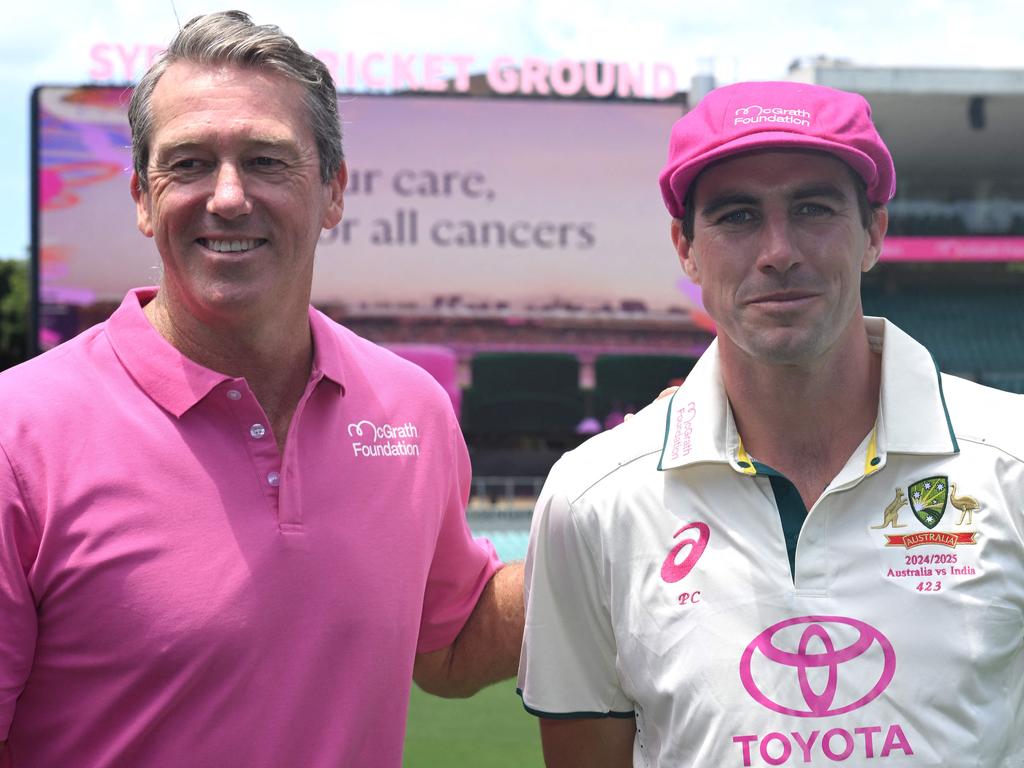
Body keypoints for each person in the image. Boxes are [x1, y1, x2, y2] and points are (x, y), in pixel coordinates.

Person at [0, 12, 522, 767]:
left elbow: (450, 644)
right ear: (143, 199)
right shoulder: (19, 433)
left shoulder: (410, 410)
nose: (229, 196)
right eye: (187, 163)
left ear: (333, 193)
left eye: (268, 161)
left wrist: (614, 514)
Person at [517, 80, 1024, 767]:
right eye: (737, 216)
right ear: (686, 248)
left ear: (873, 231)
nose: (778, 250)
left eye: (813, 208)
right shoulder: (591, 500)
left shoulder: (1011, 461)